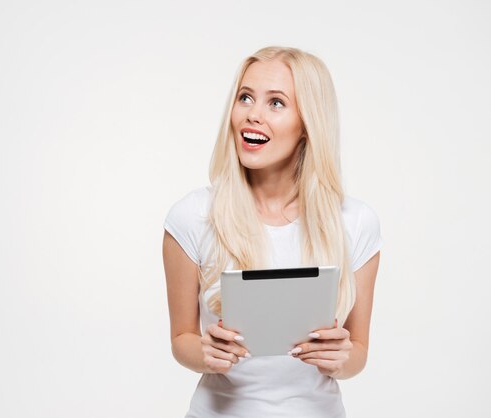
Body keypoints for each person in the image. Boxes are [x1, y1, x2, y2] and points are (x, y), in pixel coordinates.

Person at [162, 46, 383, 417]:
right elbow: (181, 339)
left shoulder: (356, 222)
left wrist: (339, 359)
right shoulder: (192, 216)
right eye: (245, 97)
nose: (252, 115)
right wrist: (205, 353)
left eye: (276, 103)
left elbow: (357, 352)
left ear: (307, 125)